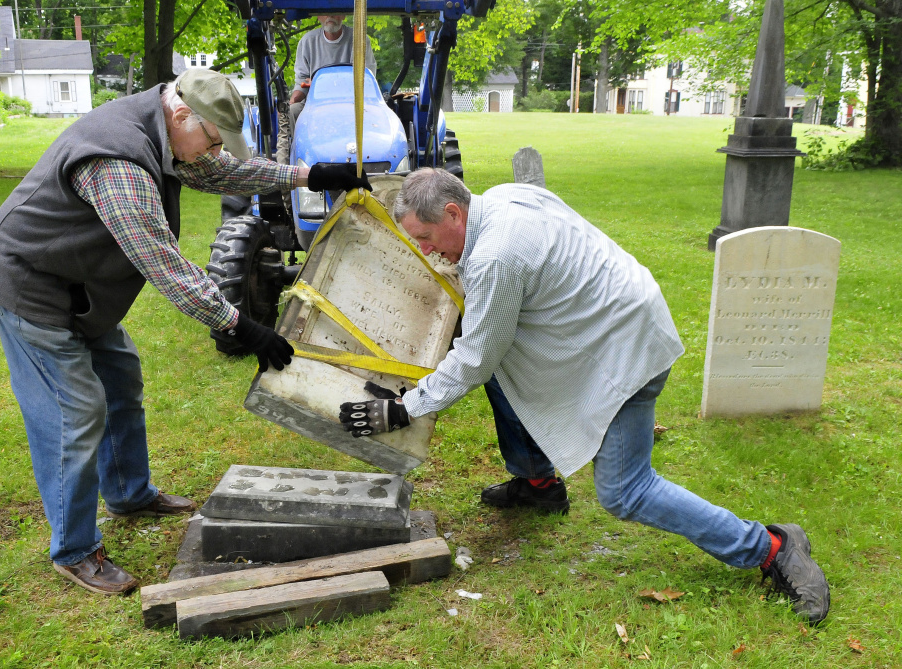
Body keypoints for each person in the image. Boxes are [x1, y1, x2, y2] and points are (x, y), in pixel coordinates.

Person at [339, 168, 831, 625]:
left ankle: (772, 548)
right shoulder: (506, 198)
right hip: (620, 312)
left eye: (426, 239)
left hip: (624, 350)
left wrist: (405, 407)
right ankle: (538, 485)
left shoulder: (494, 256)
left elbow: (475, 358)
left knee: (625, 490)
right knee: (504, 371)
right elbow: (490, 348)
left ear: (453, 213)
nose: (427, 251)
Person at [0, 68, 369, 595]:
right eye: (210, 139)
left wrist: (307, 176)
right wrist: (242, 325)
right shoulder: (117, 162)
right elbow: (166, 268)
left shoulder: (168, 128)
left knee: (120, 379)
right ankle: (74, 550)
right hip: (33, 285)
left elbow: (223, 174)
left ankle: (130, 494)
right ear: (182, 114)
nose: (212, 151)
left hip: (82, 287)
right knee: (75, 411)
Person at [276, 15, 377, 164]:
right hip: (315, 103)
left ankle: (372, 155)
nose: (330, 16)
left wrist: (325, 82)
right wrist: (291, 102)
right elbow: (302, 80)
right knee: (292, 111)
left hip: (351, 102)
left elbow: (367, 77)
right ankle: (293, 160)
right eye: (325, 12)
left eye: (335, 11)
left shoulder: (359, 40)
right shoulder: (307, 41)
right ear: (318, 17)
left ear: (342, 15)